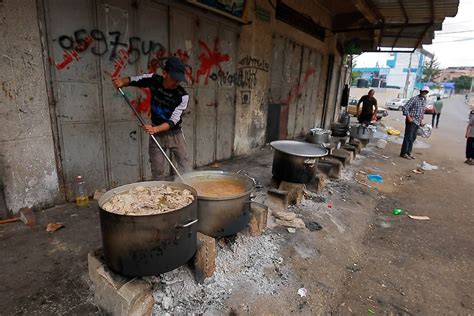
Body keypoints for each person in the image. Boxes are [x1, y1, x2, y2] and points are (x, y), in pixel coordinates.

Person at [112, 57, 190, 180]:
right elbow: (134, 80)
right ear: (165, 73)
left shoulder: (182, 96)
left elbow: (174, 120)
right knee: (157, 169)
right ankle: (159, 194)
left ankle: (190, 189)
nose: (177, 82)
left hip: (175, 134)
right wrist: (121, 82)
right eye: (174, 78)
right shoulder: (154, 79)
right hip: (156, 135)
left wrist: (156, 129)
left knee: (184, 165)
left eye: (179, 80)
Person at [400, 87, 429, 159]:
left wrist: (421, 121)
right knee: (408, 137)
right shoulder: (414, 99)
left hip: (417, 122)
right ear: (420, 91)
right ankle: (403, 153)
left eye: (426, 92)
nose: (424, 93)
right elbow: (405, 108)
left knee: (413, 138)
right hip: (411, 121)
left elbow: (421, 112)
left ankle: (408, 152)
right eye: (423, 91)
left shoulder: (424, 100)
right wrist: (408, 117)